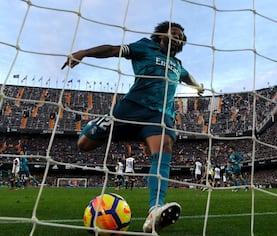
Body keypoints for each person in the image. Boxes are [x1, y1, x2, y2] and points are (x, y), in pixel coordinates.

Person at [61, 21, 204, 233]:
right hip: (130, 110)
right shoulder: (144, 46)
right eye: (174, 33)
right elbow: (113, 49)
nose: (177, 37)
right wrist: (85, 52)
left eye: (181, 36)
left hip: (159, 116)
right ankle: (99, 125)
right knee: (84, 144)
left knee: (164, 150)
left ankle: (155, 210)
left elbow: (187, 76)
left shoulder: (177, 64)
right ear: (161, 35)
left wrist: (198, 86)